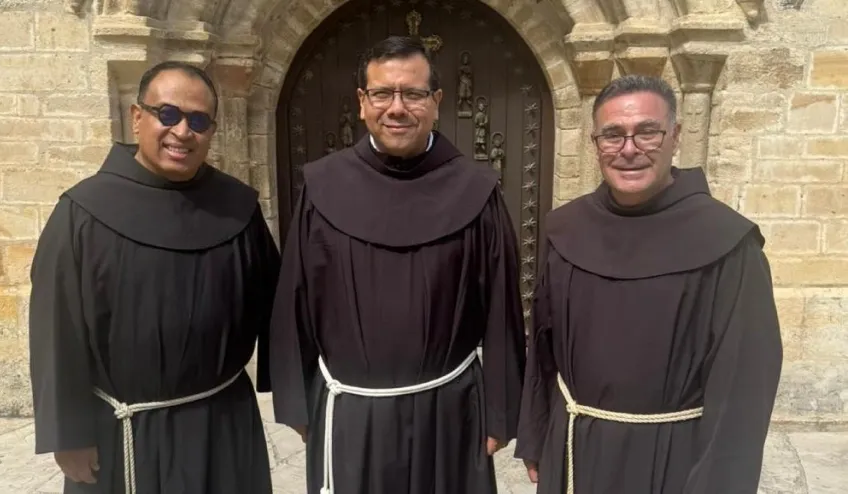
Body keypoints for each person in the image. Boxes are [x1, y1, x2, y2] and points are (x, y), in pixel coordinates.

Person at [268, 35, 527, 494]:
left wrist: (502, 413)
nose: (397, 107)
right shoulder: (323, 185)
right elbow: (296, 298)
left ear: (437, 101)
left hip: (450, 412)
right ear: (362, 102)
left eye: (413, 93)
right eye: (383, 93)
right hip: (351, 411)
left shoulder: (477, 189)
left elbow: (502, 309)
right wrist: (296, 401)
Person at [514, 74, 783, 494]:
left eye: (647, 132)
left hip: (675, 461)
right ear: (594, 142)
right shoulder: (565, 230)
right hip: (574, 450)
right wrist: (535, 435)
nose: (629, 149)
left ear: (675, 136)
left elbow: (743, 392)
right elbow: (544, 350)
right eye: (613, 135)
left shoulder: (727, 242)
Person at [28, 60, 280, 494]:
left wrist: (299, 397)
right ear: (137, 116)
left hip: (223, 424)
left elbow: (278, 308)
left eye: (198, 121)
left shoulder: (237, 208)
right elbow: (55, 329)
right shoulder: (82, 212)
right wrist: (66, 433)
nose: (182, 131)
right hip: (122, 432)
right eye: (168, 114)